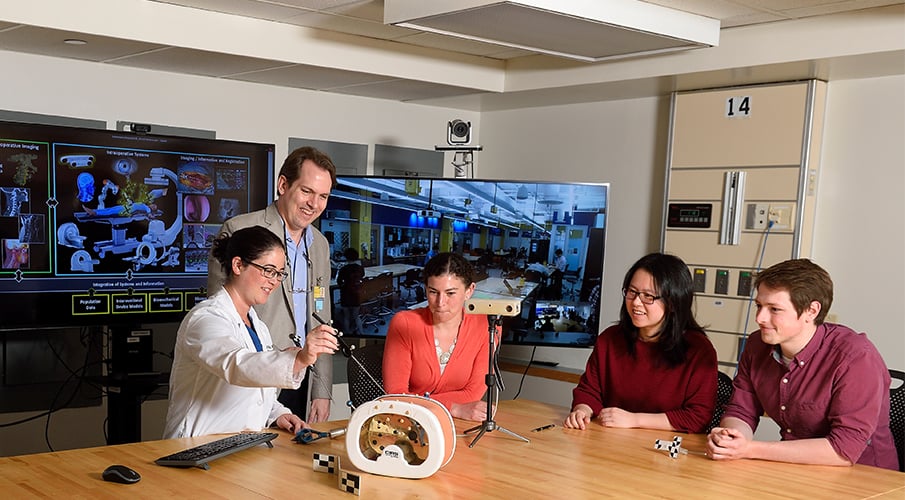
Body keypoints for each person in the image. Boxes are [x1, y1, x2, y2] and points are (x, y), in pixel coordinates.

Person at [707, 259, 897, 470]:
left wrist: (749, 450)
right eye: (759, 306)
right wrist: (731, 438)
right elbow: (741, 410)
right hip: (795, 469)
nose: (760, 318)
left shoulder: (855, 357)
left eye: (775, 309)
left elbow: (843, 450)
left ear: (811, 311)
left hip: (866, 478)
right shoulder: (756, 345)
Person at [164, 226, 338, 438]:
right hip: (193, 447)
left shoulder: (258, 326)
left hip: (236, 446)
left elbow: (255, 390)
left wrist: (278, 414)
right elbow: (237, 365)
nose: (274, 281)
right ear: (238, 265)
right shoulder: (205, 319)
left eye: (279, 274)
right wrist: (300, 358)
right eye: (268, 270)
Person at [207, 146, 337, 424]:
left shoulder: (320, 246)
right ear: (283, 185)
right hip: (253, 376)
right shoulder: (241, 231)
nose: (314, 204)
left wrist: (322, 388)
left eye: (323, 196)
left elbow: (321, 315)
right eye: (306, 191)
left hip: (302, 374)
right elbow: (221, 311)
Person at [565, 252, 717, 432]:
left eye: (648, 296)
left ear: (673, 303)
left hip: (664, 453)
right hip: (609, 443)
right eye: (632, 292)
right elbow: (589, 391)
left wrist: (634, 420)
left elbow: (697, 417)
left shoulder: (699, 350)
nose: (636, 302)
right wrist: (582, 410)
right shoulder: (610, 339)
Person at [382, 252, 495, 421]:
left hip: (459, 425)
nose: (440, 303)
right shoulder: (404, 324)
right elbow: (396, 396)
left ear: (469, 291)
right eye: (433, 292)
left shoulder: (487, 327)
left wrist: (418, 399)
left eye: (450, 293)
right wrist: (454, 408)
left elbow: (473, 394)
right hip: (408, 421)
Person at [336, 248, 365, 336]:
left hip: (346, 295)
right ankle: (362, 333)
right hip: (357, 294)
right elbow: (362, 276)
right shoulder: (360, 268)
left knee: (346, 316)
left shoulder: (343, 269)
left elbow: (339, 282)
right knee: (356, 316)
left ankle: (348, 333)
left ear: (346, 257)